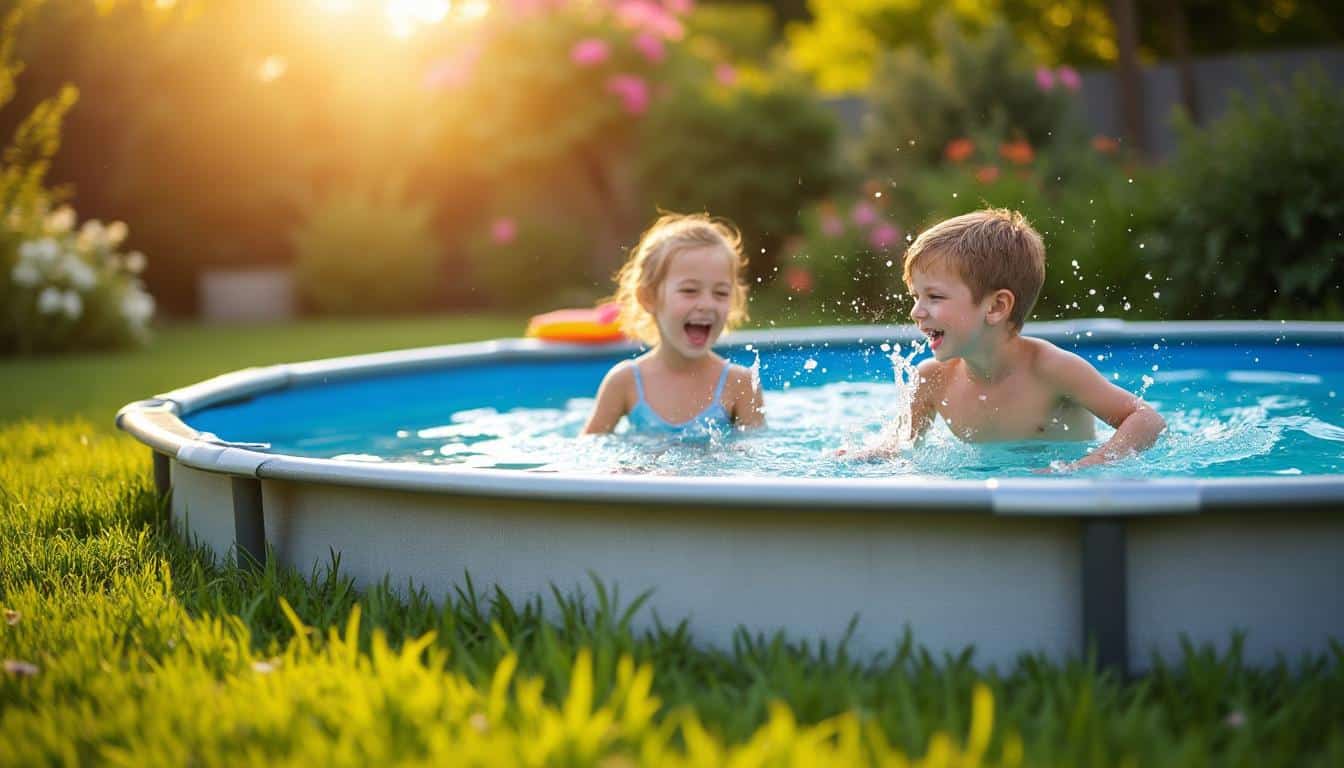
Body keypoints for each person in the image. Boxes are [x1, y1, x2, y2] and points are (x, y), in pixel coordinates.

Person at [853, 208, 1165, 469]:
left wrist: (1084, 468)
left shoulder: (1052, 370)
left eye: (934, 296)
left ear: (996, 306)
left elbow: (1147, 420)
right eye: (915, 296)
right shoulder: (932, 380)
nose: (916, 312)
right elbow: (898, 446)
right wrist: (866, 457)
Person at [583, 213, 765, 436]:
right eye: (689, 291)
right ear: (649, 298)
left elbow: (756, 458)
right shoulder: (624, 382)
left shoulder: (740, 384)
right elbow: (588, 452)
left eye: (720, 293)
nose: (707, 304)